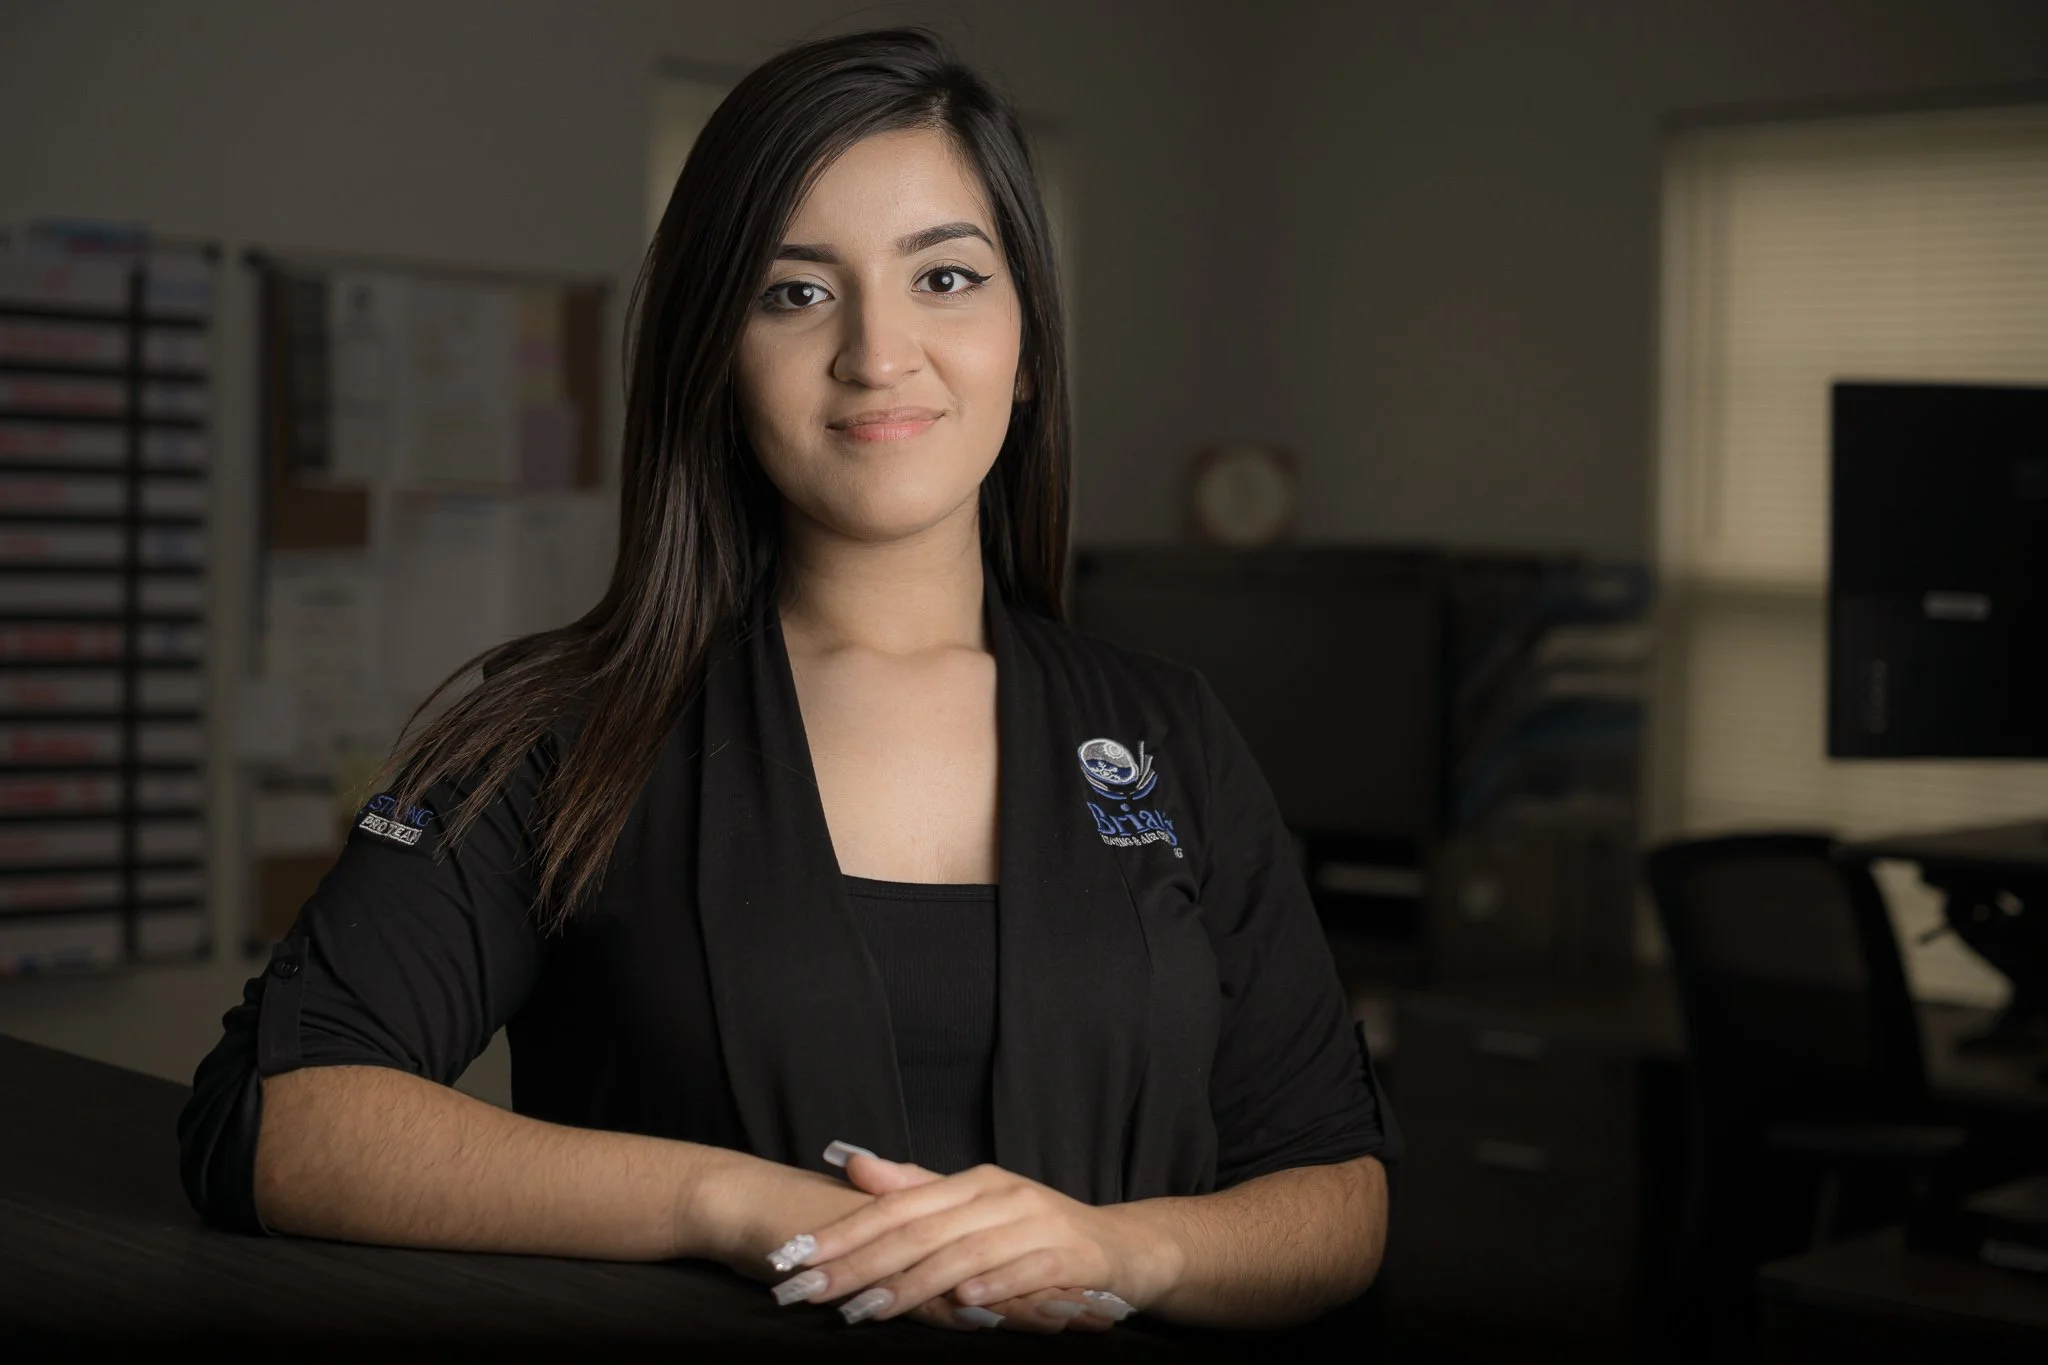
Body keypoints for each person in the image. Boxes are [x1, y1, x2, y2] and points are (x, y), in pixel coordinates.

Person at [177, 25, 1399, 1340]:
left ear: (1028, 345)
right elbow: (279, 1115)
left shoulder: (1168, 735)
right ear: (715, 358)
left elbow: (1336, 1196)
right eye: (796, 292)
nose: (879, 354)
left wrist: (1120, 1250)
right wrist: (737, 1206)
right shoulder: (567, 731)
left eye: (945, 277)